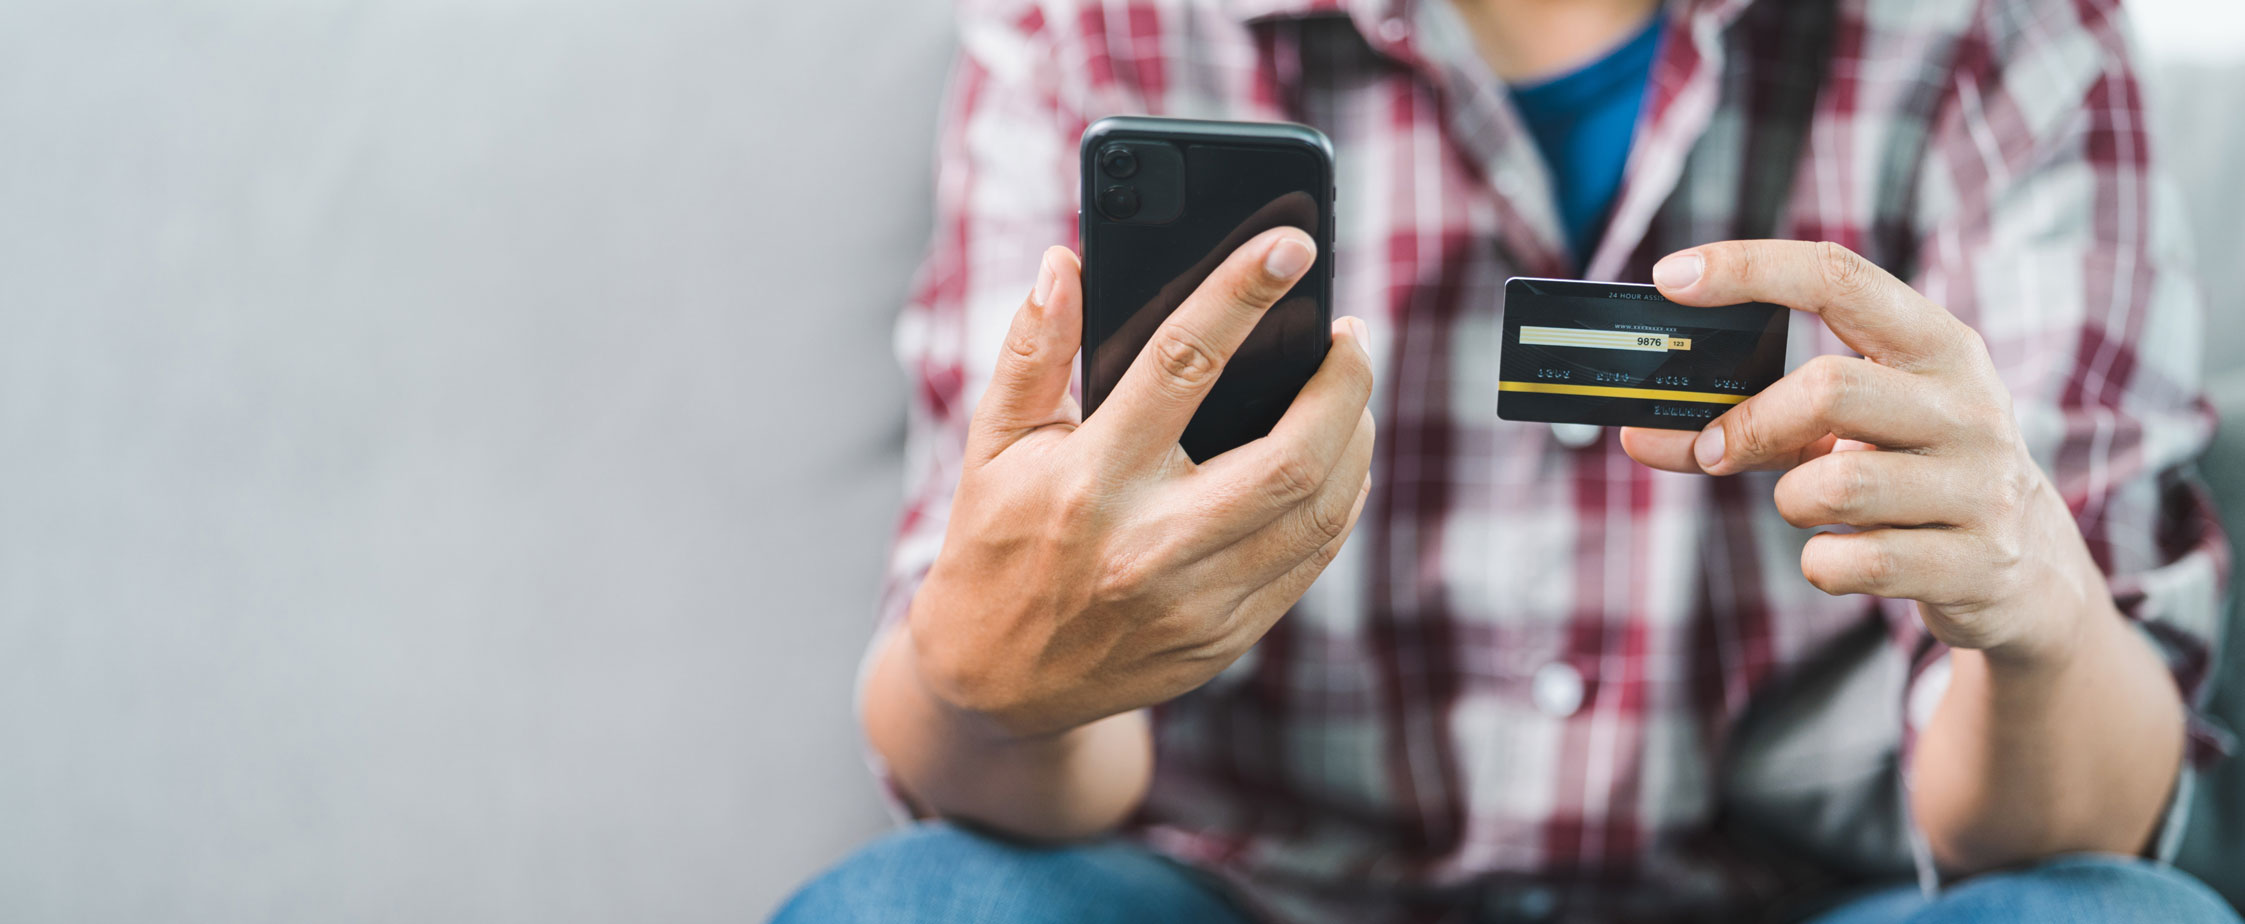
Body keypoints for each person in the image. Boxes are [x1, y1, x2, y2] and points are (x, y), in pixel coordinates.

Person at [778, 0, 2239, 920]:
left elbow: (2079, 836)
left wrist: (2042, 621)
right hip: (1256, 891)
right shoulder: (1097, 24)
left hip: (1812, 893)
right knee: (925, 905)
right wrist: (988, 672)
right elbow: (1005, 744)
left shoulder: (2001, 33)